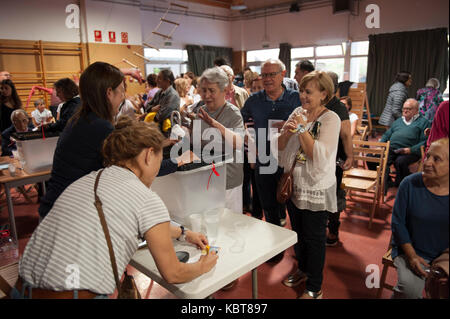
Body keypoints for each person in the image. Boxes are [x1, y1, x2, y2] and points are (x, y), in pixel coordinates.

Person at [13, 117, 218, 299]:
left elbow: (148, 223)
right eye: (159, 156)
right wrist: (203, 265)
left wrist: (184, 233)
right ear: (148, 155)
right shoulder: (145, 198)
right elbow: (173, 273)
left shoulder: (89, 180)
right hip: (73, 293)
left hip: (22, 288)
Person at [276, 71, 340, 299]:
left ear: (324, 94)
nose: (303, 96)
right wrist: (285, 133)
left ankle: (315, 286)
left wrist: (302, 129)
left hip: (316, 186)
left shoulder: (331, 119)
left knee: (314, 238)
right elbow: (281, 146)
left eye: (309, 92)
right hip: (295, 184)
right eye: (302, 91)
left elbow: (318, 155)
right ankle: (303, 269)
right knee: (298, 233)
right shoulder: (297, 112)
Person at [241, 59, 300, 231]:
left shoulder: (295, 99)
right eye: (264, 75)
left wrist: (294, 127)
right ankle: (275, 247)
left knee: (294, 207)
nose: (267, 79)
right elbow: (239, 123)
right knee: (269, 207)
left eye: (272, 74)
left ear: (283, 74)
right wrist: (251, 145)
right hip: (264, 160)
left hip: (290, 161)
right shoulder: (253, 100)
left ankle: (298, 246)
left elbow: (311, 125)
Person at [391, 137, 449, 299]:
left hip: (444, 254)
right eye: (428, 156)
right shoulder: (410, 184)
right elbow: (398, 223)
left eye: (436, 159)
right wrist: (412, 255)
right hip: (410, 249)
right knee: (409, 290)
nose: (427, 162)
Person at [195, 67, 245, 214]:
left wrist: (215, 125)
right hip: (206, 178)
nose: (207, 95)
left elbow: (238, 143)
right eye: (204, 90)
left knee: (230, 224)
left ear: (224, 91)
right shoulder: (200, 111)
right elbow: (198, 144)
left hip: (228, 180)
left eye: (212, 90)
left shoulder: (233, 113)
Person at [324, 71, 353, 247]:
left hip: (335, 160)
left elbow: (346, 135)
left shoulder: (338, 106)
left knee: (333, 196)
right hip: (318, 158)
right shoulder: (316, 104)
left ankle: (333, 230)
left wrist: (350, 156)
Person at [377, 99, 431, 190]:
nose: (405, 111)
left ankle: (402, 185)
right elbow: (387, 134)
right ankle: (386, 183)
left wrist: (411, 149)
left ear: (416, 110)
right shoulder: (398, 121)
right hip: (393, 149)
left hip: (410, 152)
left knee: (400, 161)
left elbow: (425, 141)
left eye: (408, 109)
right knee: (377, 158)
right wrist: (381, 145)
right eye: (404, 109)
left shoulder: (423, 122)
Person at [141, 70, 180, 136]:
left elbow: (161, 116)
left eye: (159, 78)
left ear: (167, 81)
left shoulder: (173, 95)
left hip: (168, 133)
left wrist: (150, 115)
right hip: (157, 130)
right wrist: (152, 109)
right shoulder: (159, 92)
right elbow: (147, 106)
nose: (156, 80)